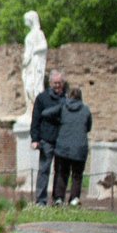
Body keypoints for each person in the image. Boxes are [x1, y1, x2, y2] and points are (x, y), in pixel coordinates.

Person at [41, 86, 92, 206]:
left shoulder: (63, 107)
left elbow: (45, 113)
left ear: (69, 97)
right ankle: (74, 199)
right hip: (80, 147)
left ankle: (59, 198)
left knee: (61, 173)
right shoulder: (86, 110)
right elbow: (88, 127)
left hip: (62, 146)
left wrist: (59, 120)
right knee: (77, 175)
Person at [28, 69, 65, 205]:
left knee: (60, 171)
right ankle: (41, 200)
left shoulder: (67, 98)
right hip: (46, 139)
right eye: (55, 83)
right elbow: (35, 119)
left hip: (61, 139)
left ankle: (58, 199)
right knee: (44, 170)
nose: (57, 85)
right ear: (50, 83)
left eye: (60, 83)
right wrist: (35, 139)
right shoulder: (42, 98)